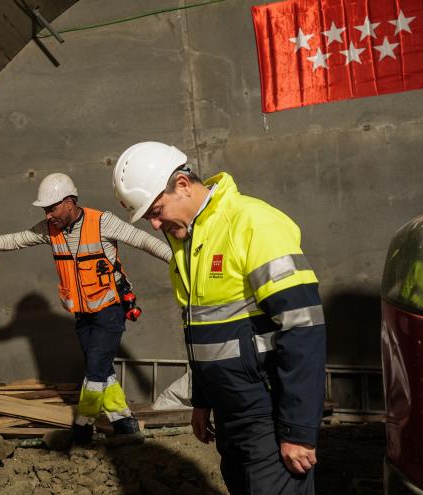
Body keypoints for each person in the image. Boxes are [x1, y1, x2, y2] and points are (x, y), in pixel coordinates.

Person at [112, 142, 327, 494]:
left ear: (182, 184)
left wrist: (298, 431)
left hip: (267, 413)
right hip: (231, 414)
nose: (153, 224)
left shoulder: (252, 222)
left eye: (156, 210)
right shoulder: (186, 242)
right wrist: (202, 400)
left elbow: (303, 326)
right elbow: (199, 331)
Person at [0, 173, 171, 443]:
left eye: (51, 208)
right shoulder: (49, 229)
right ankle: (124, 421)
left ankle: (83, 425)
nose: (48, 214)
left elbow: (144, 241)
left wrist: (178, 261)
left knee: (95, 370)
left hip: (110, 308)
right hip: (82, 312)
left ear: (68, 202)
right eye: (45, 210)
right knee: (99, 367)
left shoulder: (102, 222)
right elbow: (19, 238)